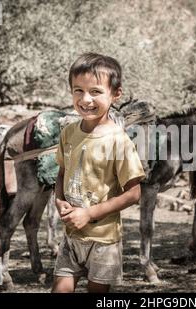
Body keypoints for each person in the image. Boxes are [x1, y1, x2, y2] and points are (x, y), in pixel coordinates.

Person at [51, 53, 145, 292]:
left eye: (95, 91)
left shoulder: (119, 141)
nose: (85, 99)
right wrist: (59, 200)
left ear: (115, 94)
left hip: (104, 239)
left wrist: (89, 213)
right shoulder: (69, 133)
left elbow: (134, 194)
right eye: (78, 90)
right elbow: (62, 172)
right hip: (71, 236)